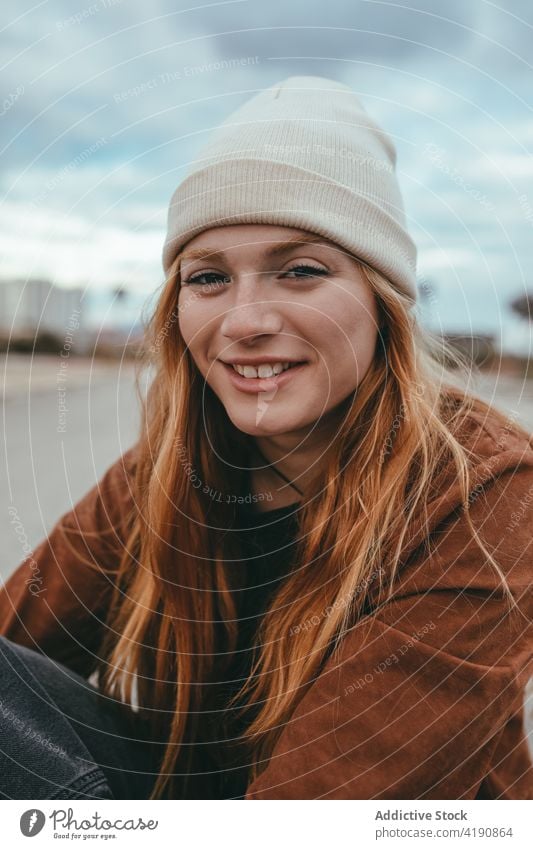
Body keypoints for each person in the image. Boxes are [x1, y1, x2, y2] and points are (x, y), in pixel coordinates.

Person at [0, 75, 532, 800]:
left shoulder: (486, 493)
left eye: (301, 270)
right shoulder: (167, 471)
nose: (244, 320)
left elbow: (317, 814)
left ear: (382, 301)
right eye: (209, 276)